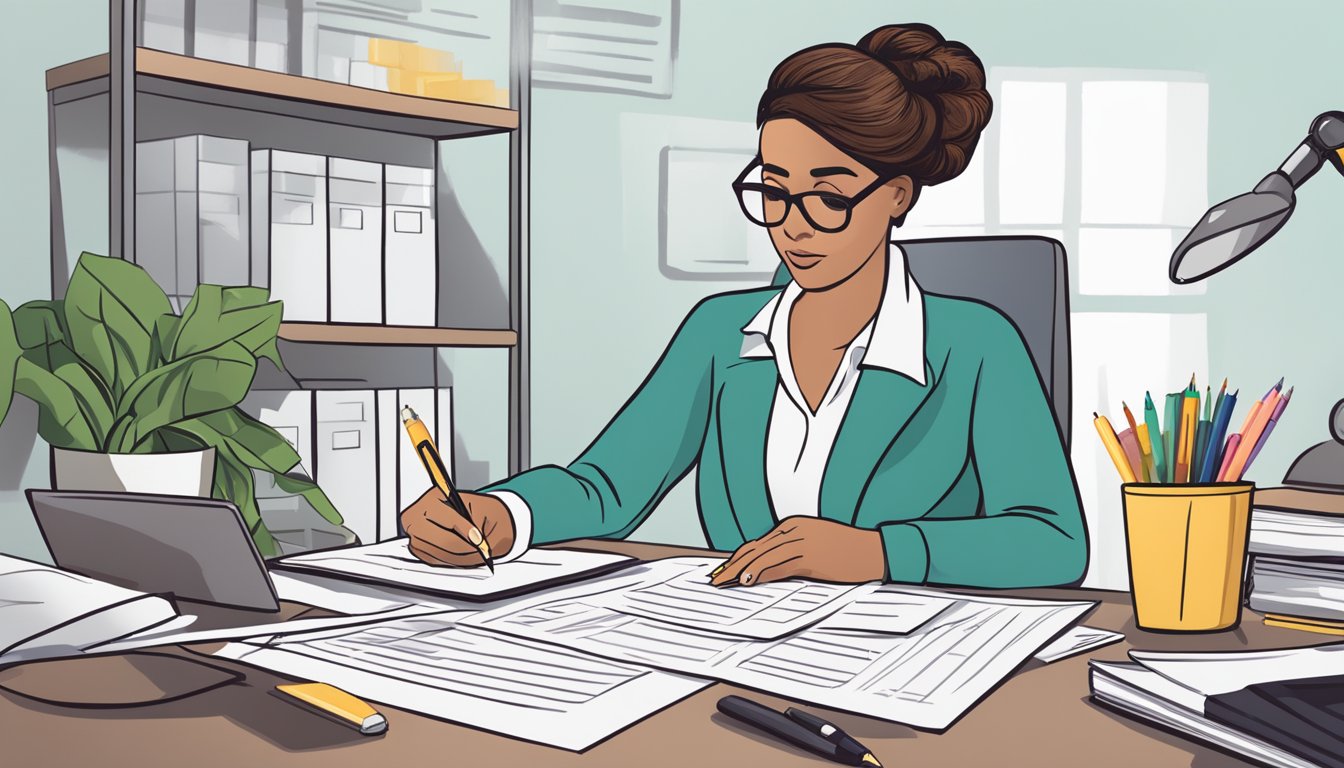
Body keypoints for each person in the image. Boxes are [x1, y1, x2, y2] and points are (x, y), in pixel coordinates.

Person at [401, 22, 1088, 589]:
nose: (792, 224)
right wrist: (503, 513)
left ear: (898, 195)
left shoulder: (974, 344)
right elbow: (608, 485)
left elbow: (1054, 541)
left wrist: (877, 554)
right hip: (739, 651)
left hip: (905, 663)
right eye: (774, 190)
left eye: (829, 196)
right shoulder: (721, 332)